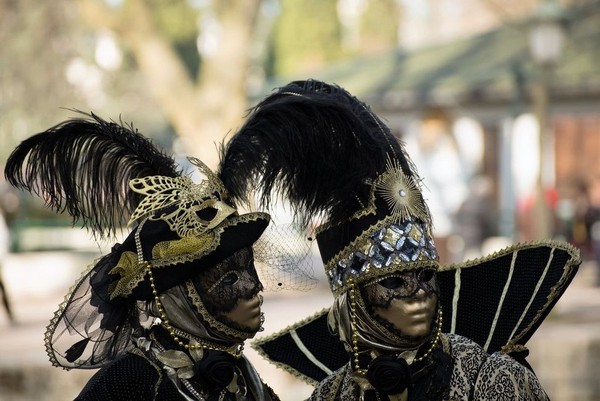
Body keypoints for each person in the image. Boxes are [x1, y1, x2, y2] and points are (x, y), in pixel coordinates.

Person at [218, 80, 580, 401]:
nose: (418, 292)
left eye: (425, 277)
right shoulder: (332, 394)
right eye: (394, 282)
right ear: (354, 299)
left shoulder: (492, 381)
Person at [4, 113, 279, 401]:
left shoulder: (237, 370)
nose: (254, 287)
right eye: (229, 278)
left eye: (248, 269)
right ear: (177, 296)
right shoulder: (132, 379)